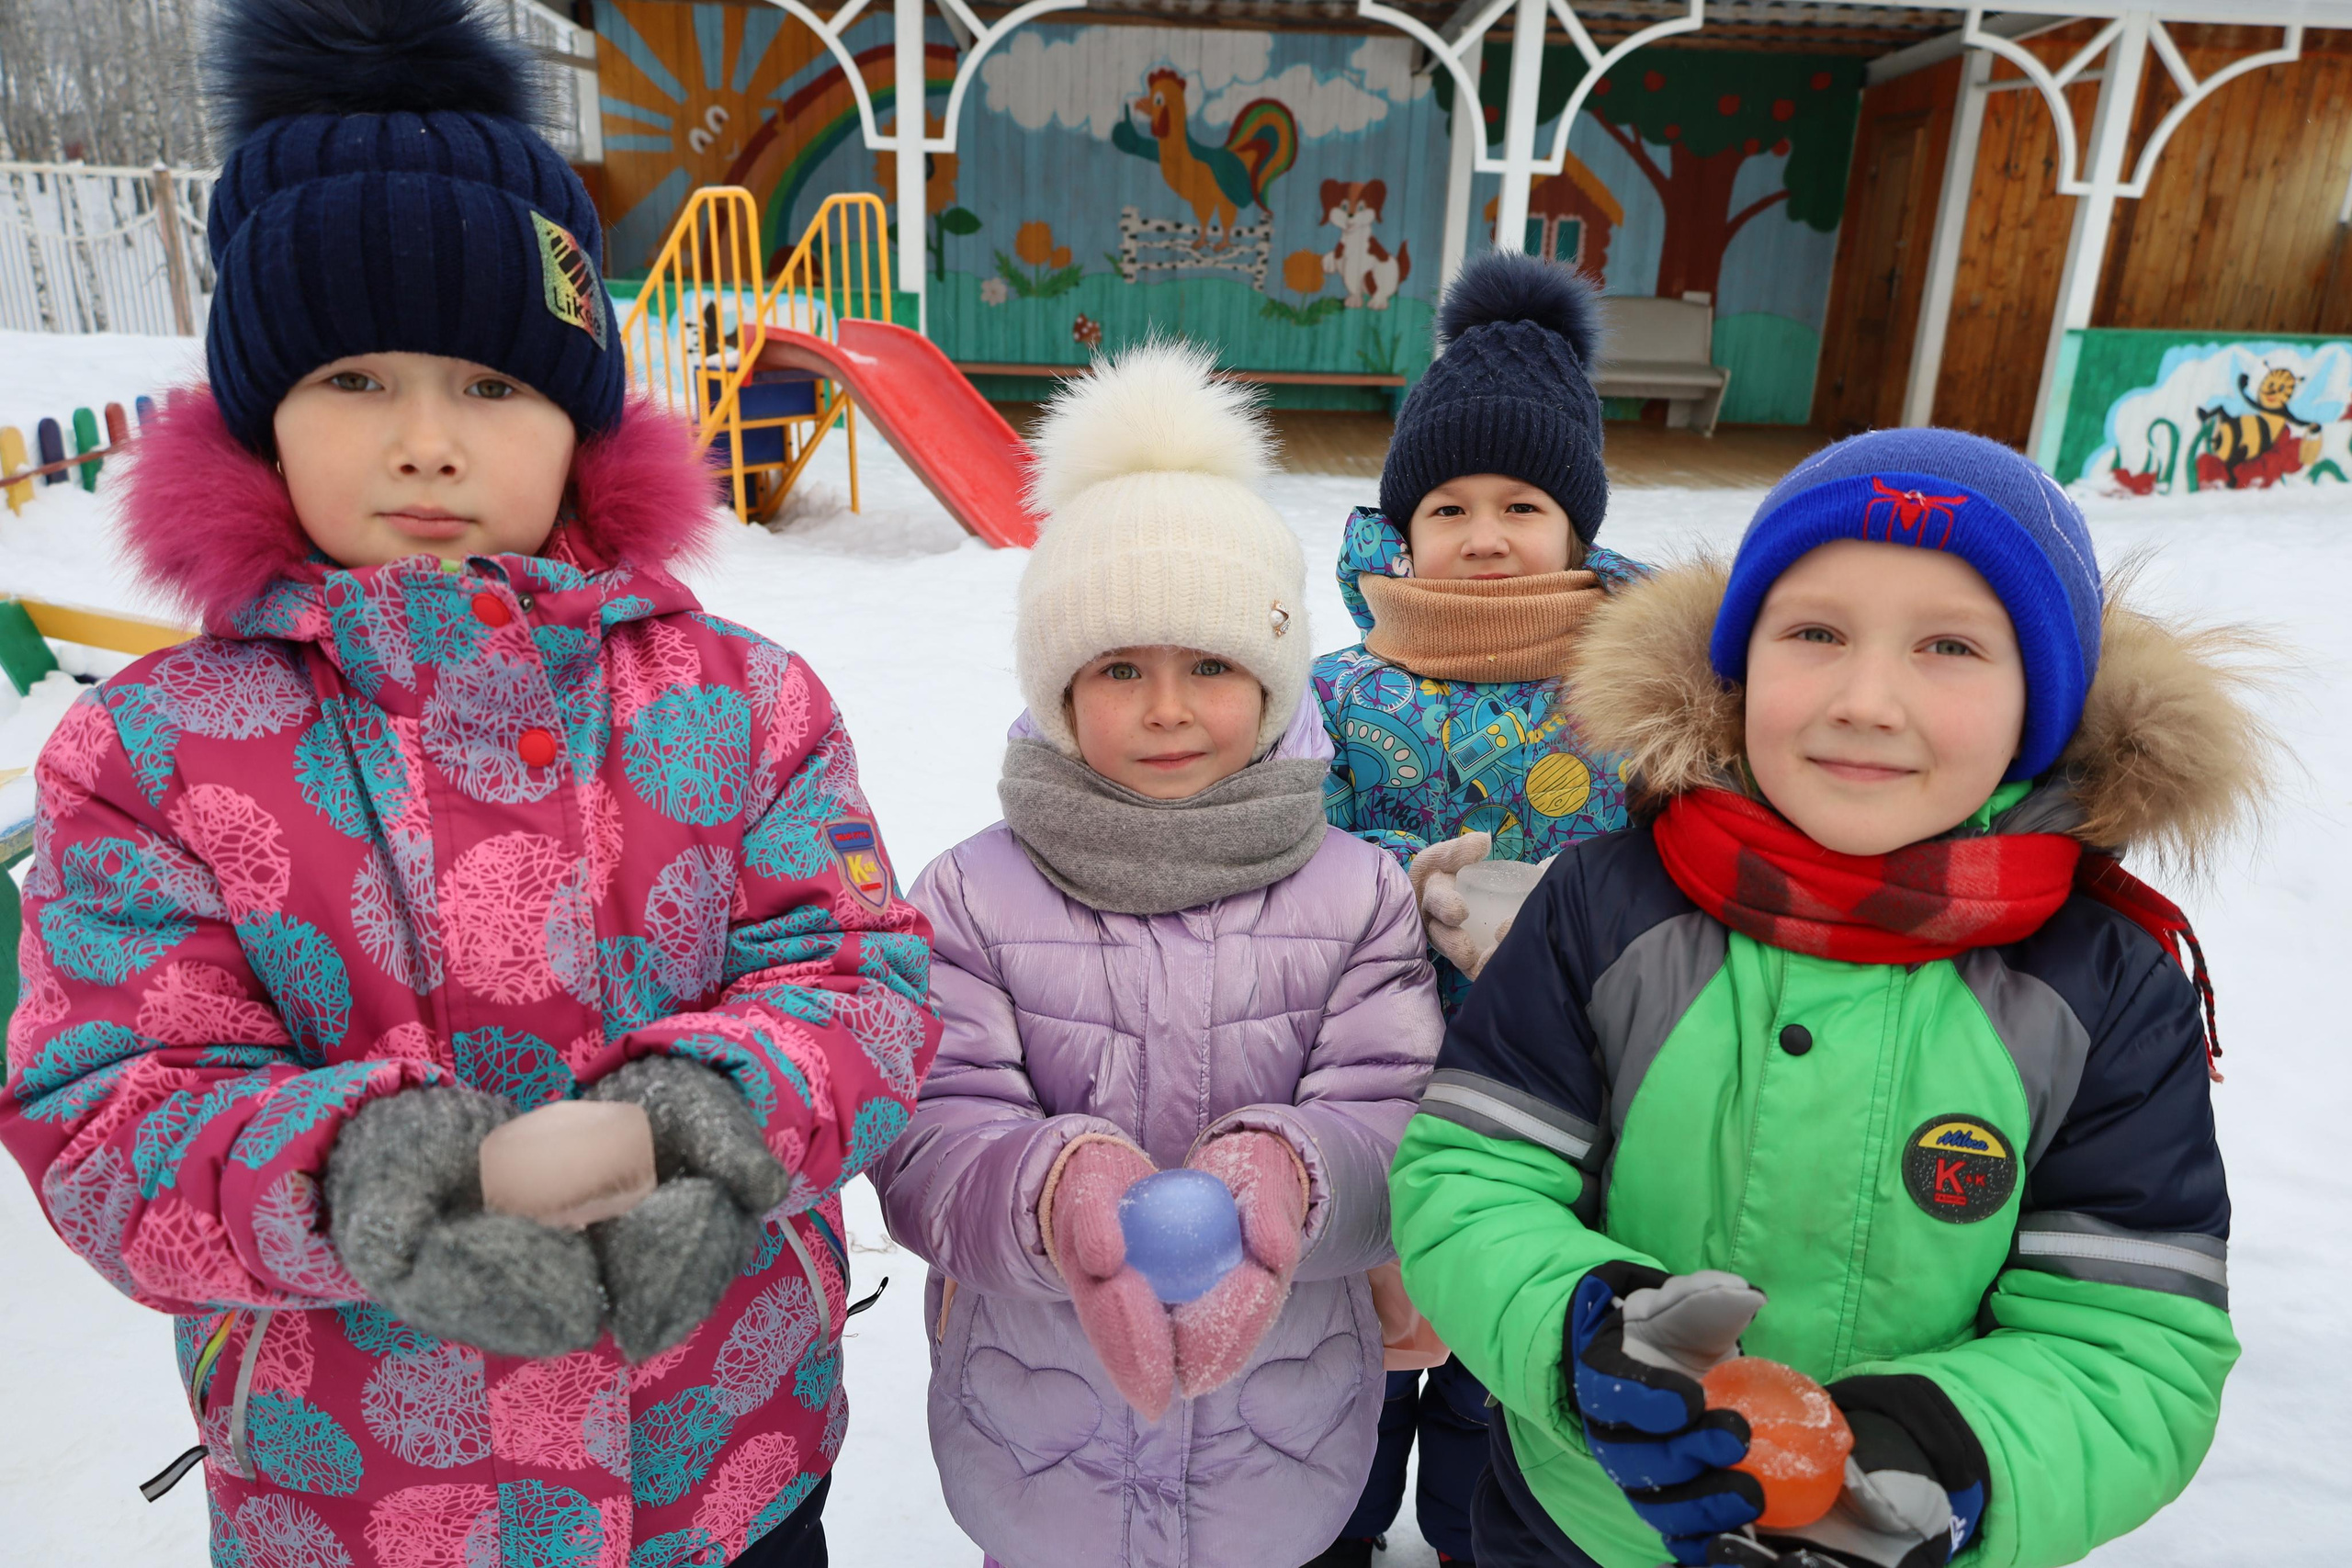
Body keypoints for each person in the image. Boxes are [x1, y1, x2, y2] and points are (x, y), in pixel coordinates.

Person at [0, 3, 936, 1563]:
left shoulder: (742, 704)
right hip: (352, 1497)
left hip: (720, 1466)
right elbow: (107, 1108)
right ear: (260, 417)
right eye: (356, 379)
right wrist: (366, 1177)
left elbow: (864, 980)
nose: (428, 442)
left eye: (494, 386)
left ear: (580, 421)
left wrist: (705, 1120)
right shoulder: (149, 758)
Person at [1390, 427, 2267, 1568]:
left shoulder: (2100, 987)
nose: (1865, 700)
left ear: (2041, 703)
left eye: (1949, 646)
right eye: (1814, 633)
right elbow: (1469, 1182)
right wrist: (1586, 1335)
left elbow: (2132, 1337)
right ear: (1740, 664)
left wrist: (1948, 1459)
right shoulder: (1606, 908)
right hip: (1580, 1528)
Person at [868, 339, 1444, 1568]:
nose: (1168, 707)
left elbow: (1397, 1123)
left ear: (1274, 681)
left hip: (1281, 1434)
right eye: (1120, 666)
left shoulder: (1357, 894)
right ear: (1061, 688)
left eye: (1212, 665)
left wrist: (1293, 1175)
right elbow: (926, 1133)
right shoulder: (971, 893)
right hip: (1040, 1433)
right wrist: (1050, 1189)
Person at [1307, 253, 1645, 1567]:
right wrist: (1395, 880)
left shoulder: (1635, 694)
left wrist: (1578, 911)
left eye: (1522, 504)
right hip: (1373, 1078)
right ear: (1404, 528)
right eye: (1447, 505)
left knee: (1503, 1353)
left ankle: (1465, 1530)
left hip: (1566, 1094)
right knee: (1362, 1339)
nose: (1485, 534)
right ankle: (1336, 1528)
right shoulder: (1339, 689)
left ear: (1577, 528)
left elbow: (1682, 857)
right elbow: (1290, 850)